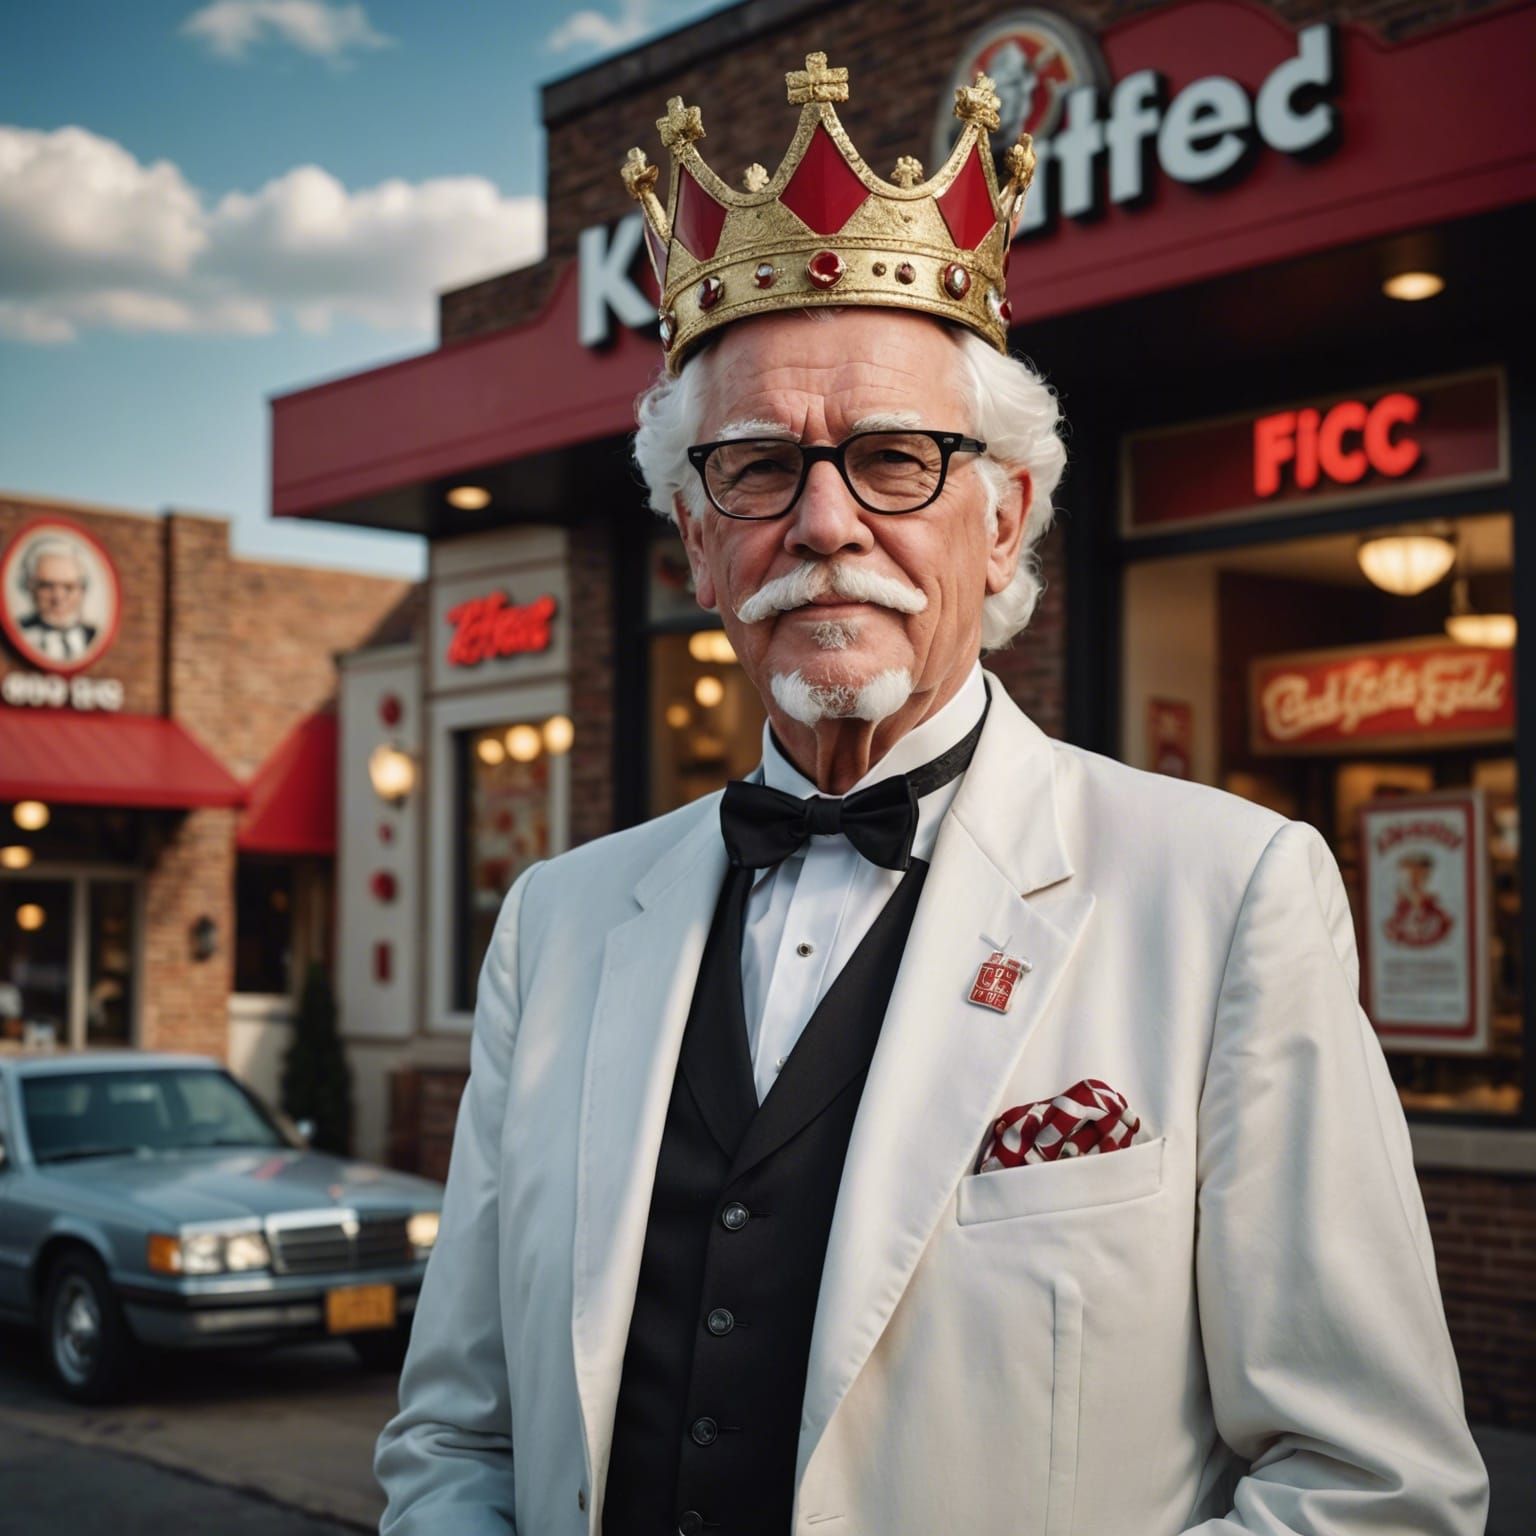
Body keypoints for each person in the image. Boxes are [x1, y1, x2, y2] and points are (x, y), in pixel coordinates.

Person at [375, 52, 1488, 1535]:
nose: (827, 523)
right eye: (759, 471)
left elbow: (1374, 1487)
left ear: (1004, 516)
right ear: (696, 543)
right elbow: (457, 1437)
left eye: (896, 460)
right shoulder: (559, 923)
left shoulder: (1223, 896)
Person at [17, 536, 96, 663]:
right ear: (30, 587)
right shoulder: (19, 633)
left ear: (83, 589)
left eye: (69, 587)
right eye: (47, 586)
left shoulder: (93, 636)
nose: (58, 597)